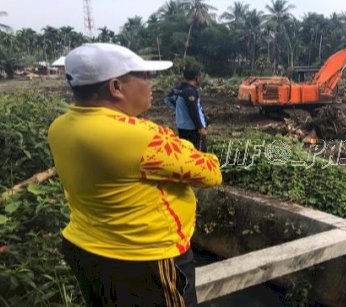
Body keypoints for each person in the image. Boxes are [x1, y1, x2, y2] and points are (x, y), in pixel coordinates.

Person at [48, 43, 222, 306]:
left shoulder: (59, 126)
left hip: (86, 248)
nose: (151, 84)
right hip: (144, 259)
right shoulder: (141, 137)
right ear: (116, 87)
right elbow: (211, 172)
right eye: (143, 76)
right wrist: (175, 140)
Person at [165, 66, 208, 152]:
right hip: (192, 129)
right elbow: (193, 110)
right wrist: (200, 127)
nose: (200, 78)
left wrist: (179, 109)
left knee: (186, 152)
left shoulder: (178, 89)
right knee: (197, 154)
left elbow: (167, 100)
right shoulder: (189, 91)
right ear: (196, 77)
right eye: (200, 76)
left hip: (182, 126)